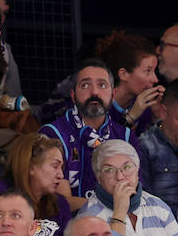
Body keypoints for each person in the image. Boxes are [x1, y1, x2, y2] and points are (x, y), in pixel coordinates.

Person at [41, 60, 133, 209]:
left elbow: (134, 191)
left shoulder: (126, 136)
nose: (94, 92)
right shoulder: (53, 133)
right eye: (85, 85)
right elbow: (61, 202)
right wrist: (112, 208)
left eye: (102, 85)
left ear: (113, 94)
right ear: (73, 95)